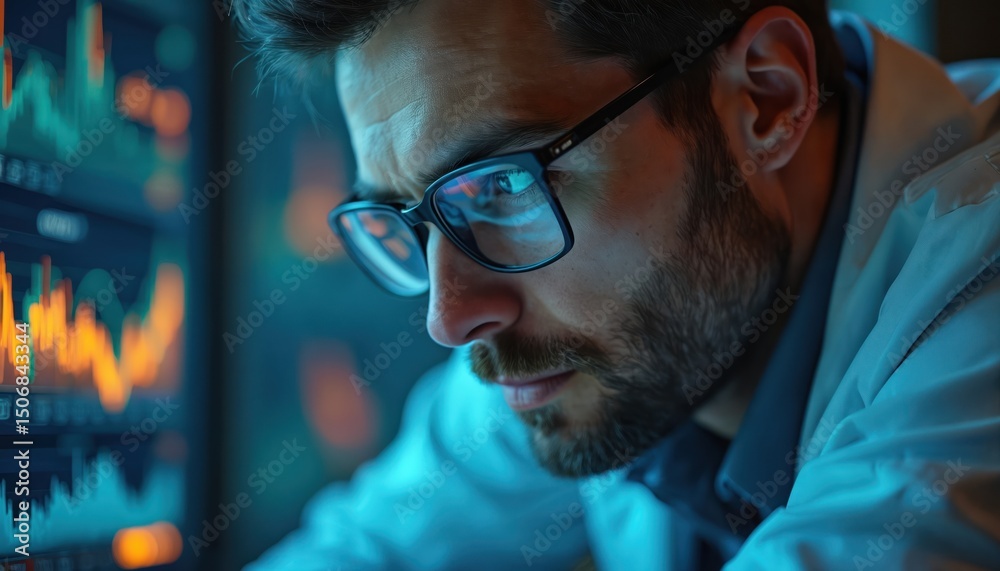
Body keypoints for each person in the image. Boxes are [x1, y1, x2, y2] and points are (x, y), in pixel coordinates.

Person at [234, 0, 1000, 568]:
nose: (450, 315)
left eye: (501, 188)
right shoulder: (583, 337)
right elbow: (367, 548)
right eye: (411, 222)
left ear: (765, 100)